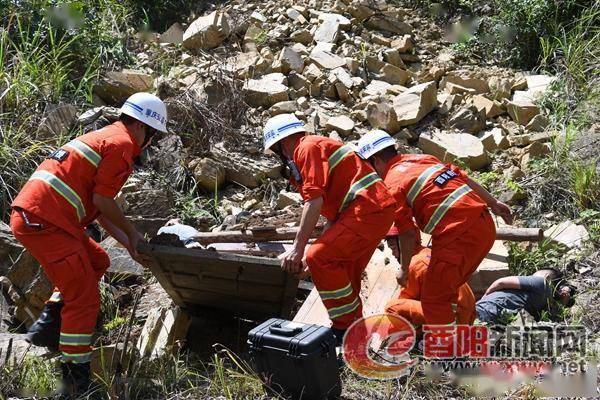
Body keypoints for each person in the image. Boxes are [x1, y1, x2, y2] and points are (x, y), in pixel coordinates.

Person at [10, 92, 167, 396]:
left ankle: (49, 324)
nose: (151, 144)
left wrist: (130, 243)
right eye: (154, 137)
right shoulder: (122, 145)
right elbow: (103, 200)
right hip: (45, 221)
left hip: (45, 217)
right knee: (83, 298)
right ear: (144, 128)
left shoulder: (106, 136)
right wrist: (134, 234)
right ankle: (73, 384)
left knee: (98, 260)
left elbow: (98, 208)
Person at [356, 130, 512, 330]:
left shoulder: (392, 184)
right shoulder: (422, 159)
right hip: (485, 225)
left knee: (434, 301)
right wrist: (493, 202)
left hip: (457, 236)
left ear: (376, 161)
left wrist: (404, 269)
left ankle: (450, 350)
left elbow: (407, 232)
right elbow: (463, 178)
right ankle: (455, 334)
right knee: (445, 290)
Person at [262, 114, 396, 343]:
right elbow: (333, 218)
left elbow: (313, 201)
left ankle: (344, 329)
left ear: (281, 143)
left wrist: (299, 249)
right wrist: (308, 253)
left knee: (320, 257)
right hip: (373, 212)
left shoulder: (306, 148)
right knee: (344, 271)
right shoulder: (314, 148)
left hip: (366, 210)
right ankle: (355, 335)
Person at [385, 244, 477, 328]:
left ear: (402, 243)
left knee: (392, 307)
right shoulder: (428, 252)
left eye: (393, 248)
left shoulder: (415, 264)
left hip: (454, 321)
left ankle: (415, 337)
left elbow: (405, 299)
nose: (393, 254)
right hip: (468, 314)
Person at [476, 268, 577, 323]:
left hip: (487, 308)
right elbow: (556, 316)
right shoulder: (546, 305)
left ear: (547, 277)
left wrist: (484, 297)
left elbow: (500, 283)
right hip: (497, 322)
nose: (530, 278)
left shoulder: (541, 282)